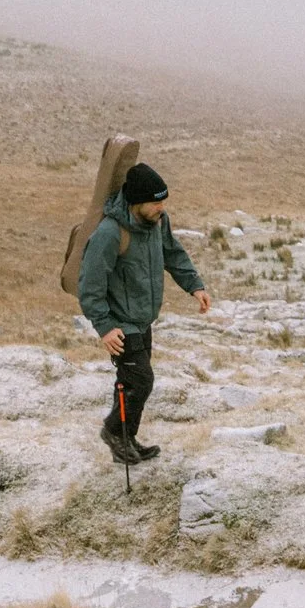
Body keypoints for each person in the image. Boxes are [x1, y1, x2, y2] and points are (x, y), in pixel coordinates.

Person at [76, 162, 211, 465]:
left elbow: (173, 253)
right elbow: (90, 283)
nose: (161, 207)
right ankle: (114, 431)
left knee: (129, 381)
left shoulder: (158, 223)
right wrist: (105, 326)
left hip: (142, 317)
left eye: (163, 201)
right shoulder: (110, 233)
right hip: (121, 323)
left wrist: (195, 286)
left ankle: (127, 438)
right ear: (137, 202)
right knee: (141, 381)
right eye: (156, 201)